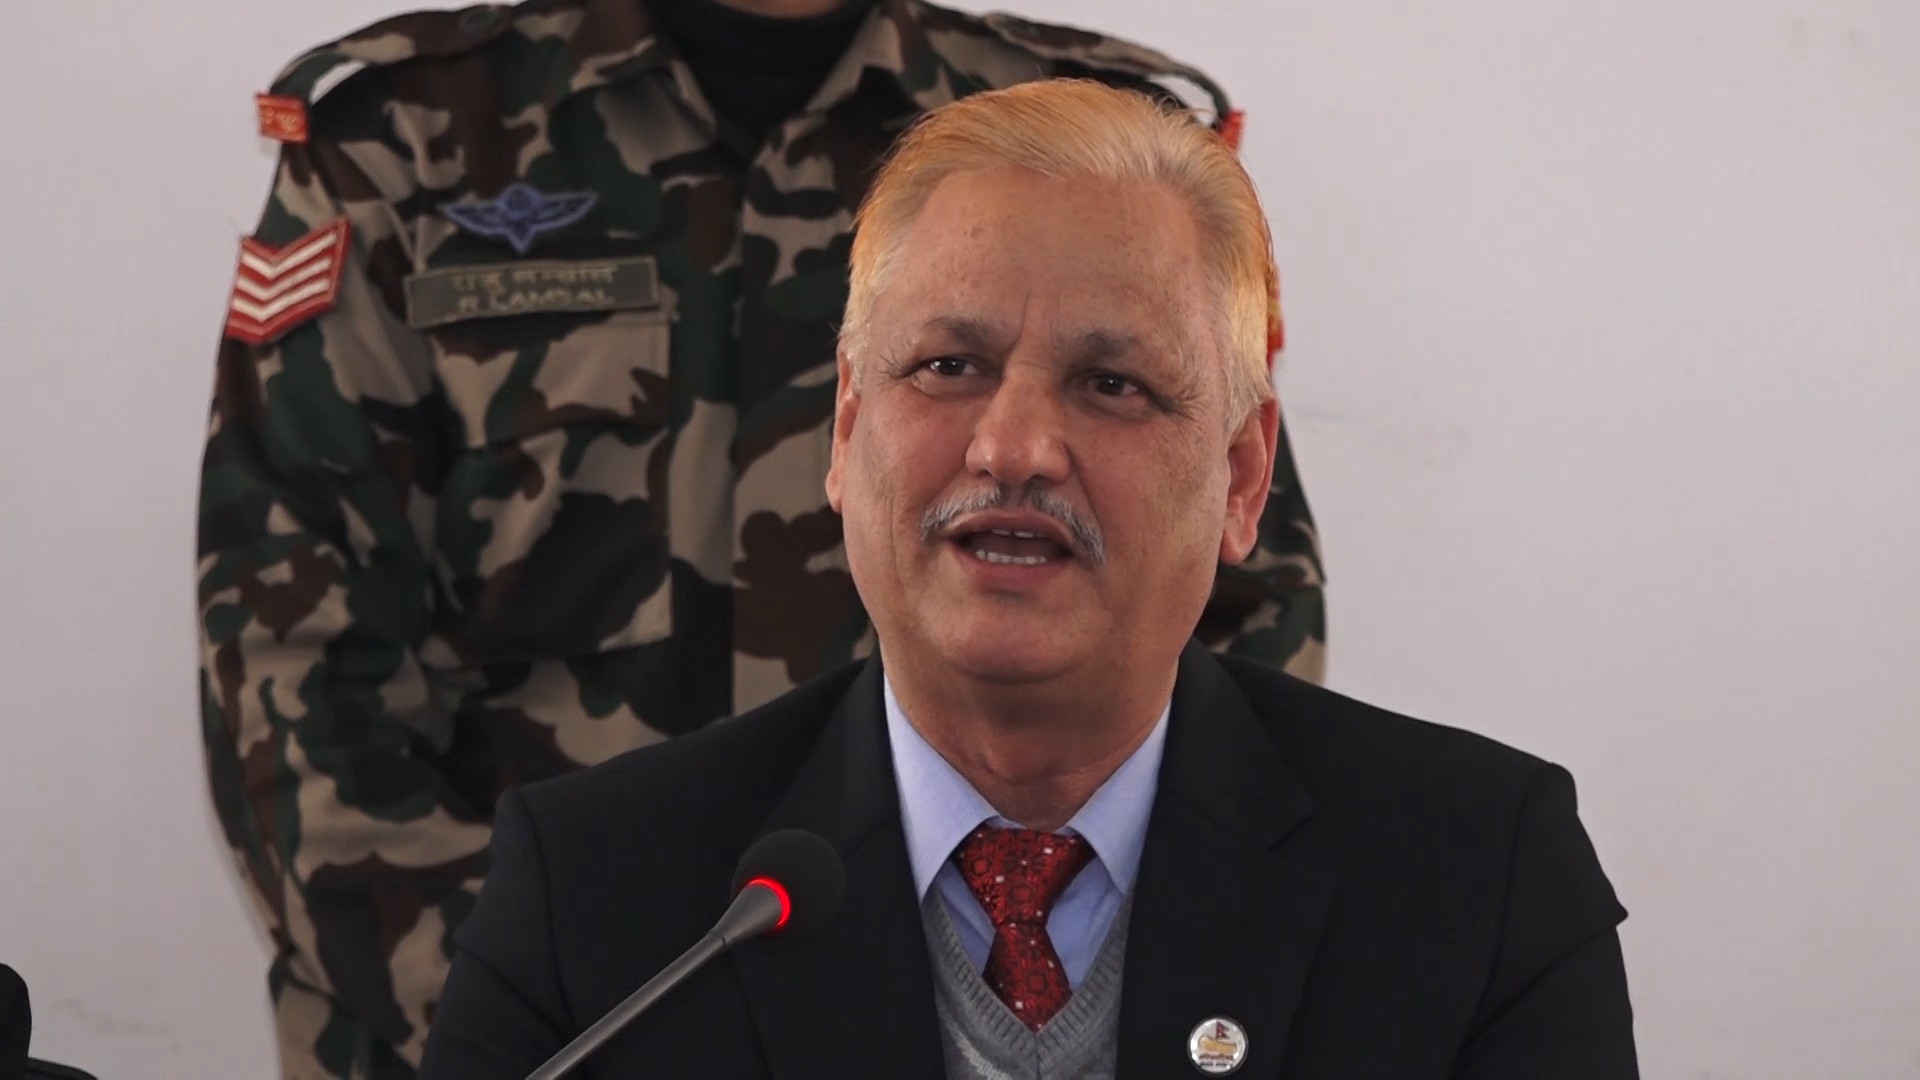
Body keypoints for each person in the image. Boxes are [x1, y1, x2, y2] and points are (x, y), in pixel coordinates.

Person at [417, 79, 1637, 1079]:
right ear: (847, 430)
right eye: (949, 366)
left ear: (1242, 476)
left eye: (1112, 385)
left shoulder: (1476, 879)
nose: (1012, 448)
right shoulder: (599, 902)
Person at [195, 1, 1329, 1075]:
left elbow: (1237, 612)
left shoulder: (1092, 143)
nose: (1017, 443)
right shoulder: (404, 140)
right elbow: (288, 658)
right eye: (951, 365)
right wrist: (559, 1004)